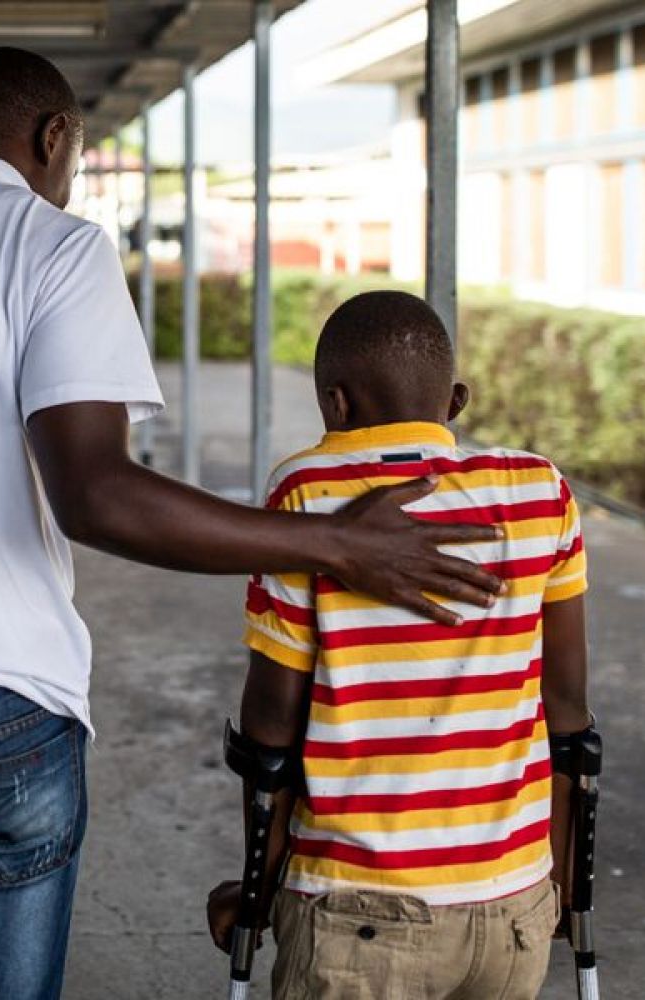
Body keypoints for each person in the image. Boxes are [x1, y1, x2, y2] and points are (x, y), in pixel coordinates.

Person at [0, 48, 507, 1000]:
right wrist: (335, 542)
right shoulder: (55, 247)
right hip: (8, 712)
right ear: (54, 137)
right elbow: (98, 496)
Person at [204, 291, 595, 1000]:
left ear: (336, 405)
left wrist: (257, 892)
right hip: (512, 907)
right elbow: (567, 713)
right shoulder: (541, 493)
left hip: (356, 910)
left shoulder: (308, 494)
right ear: (456, 399)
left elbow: (269, 733)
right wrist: (560, 881)